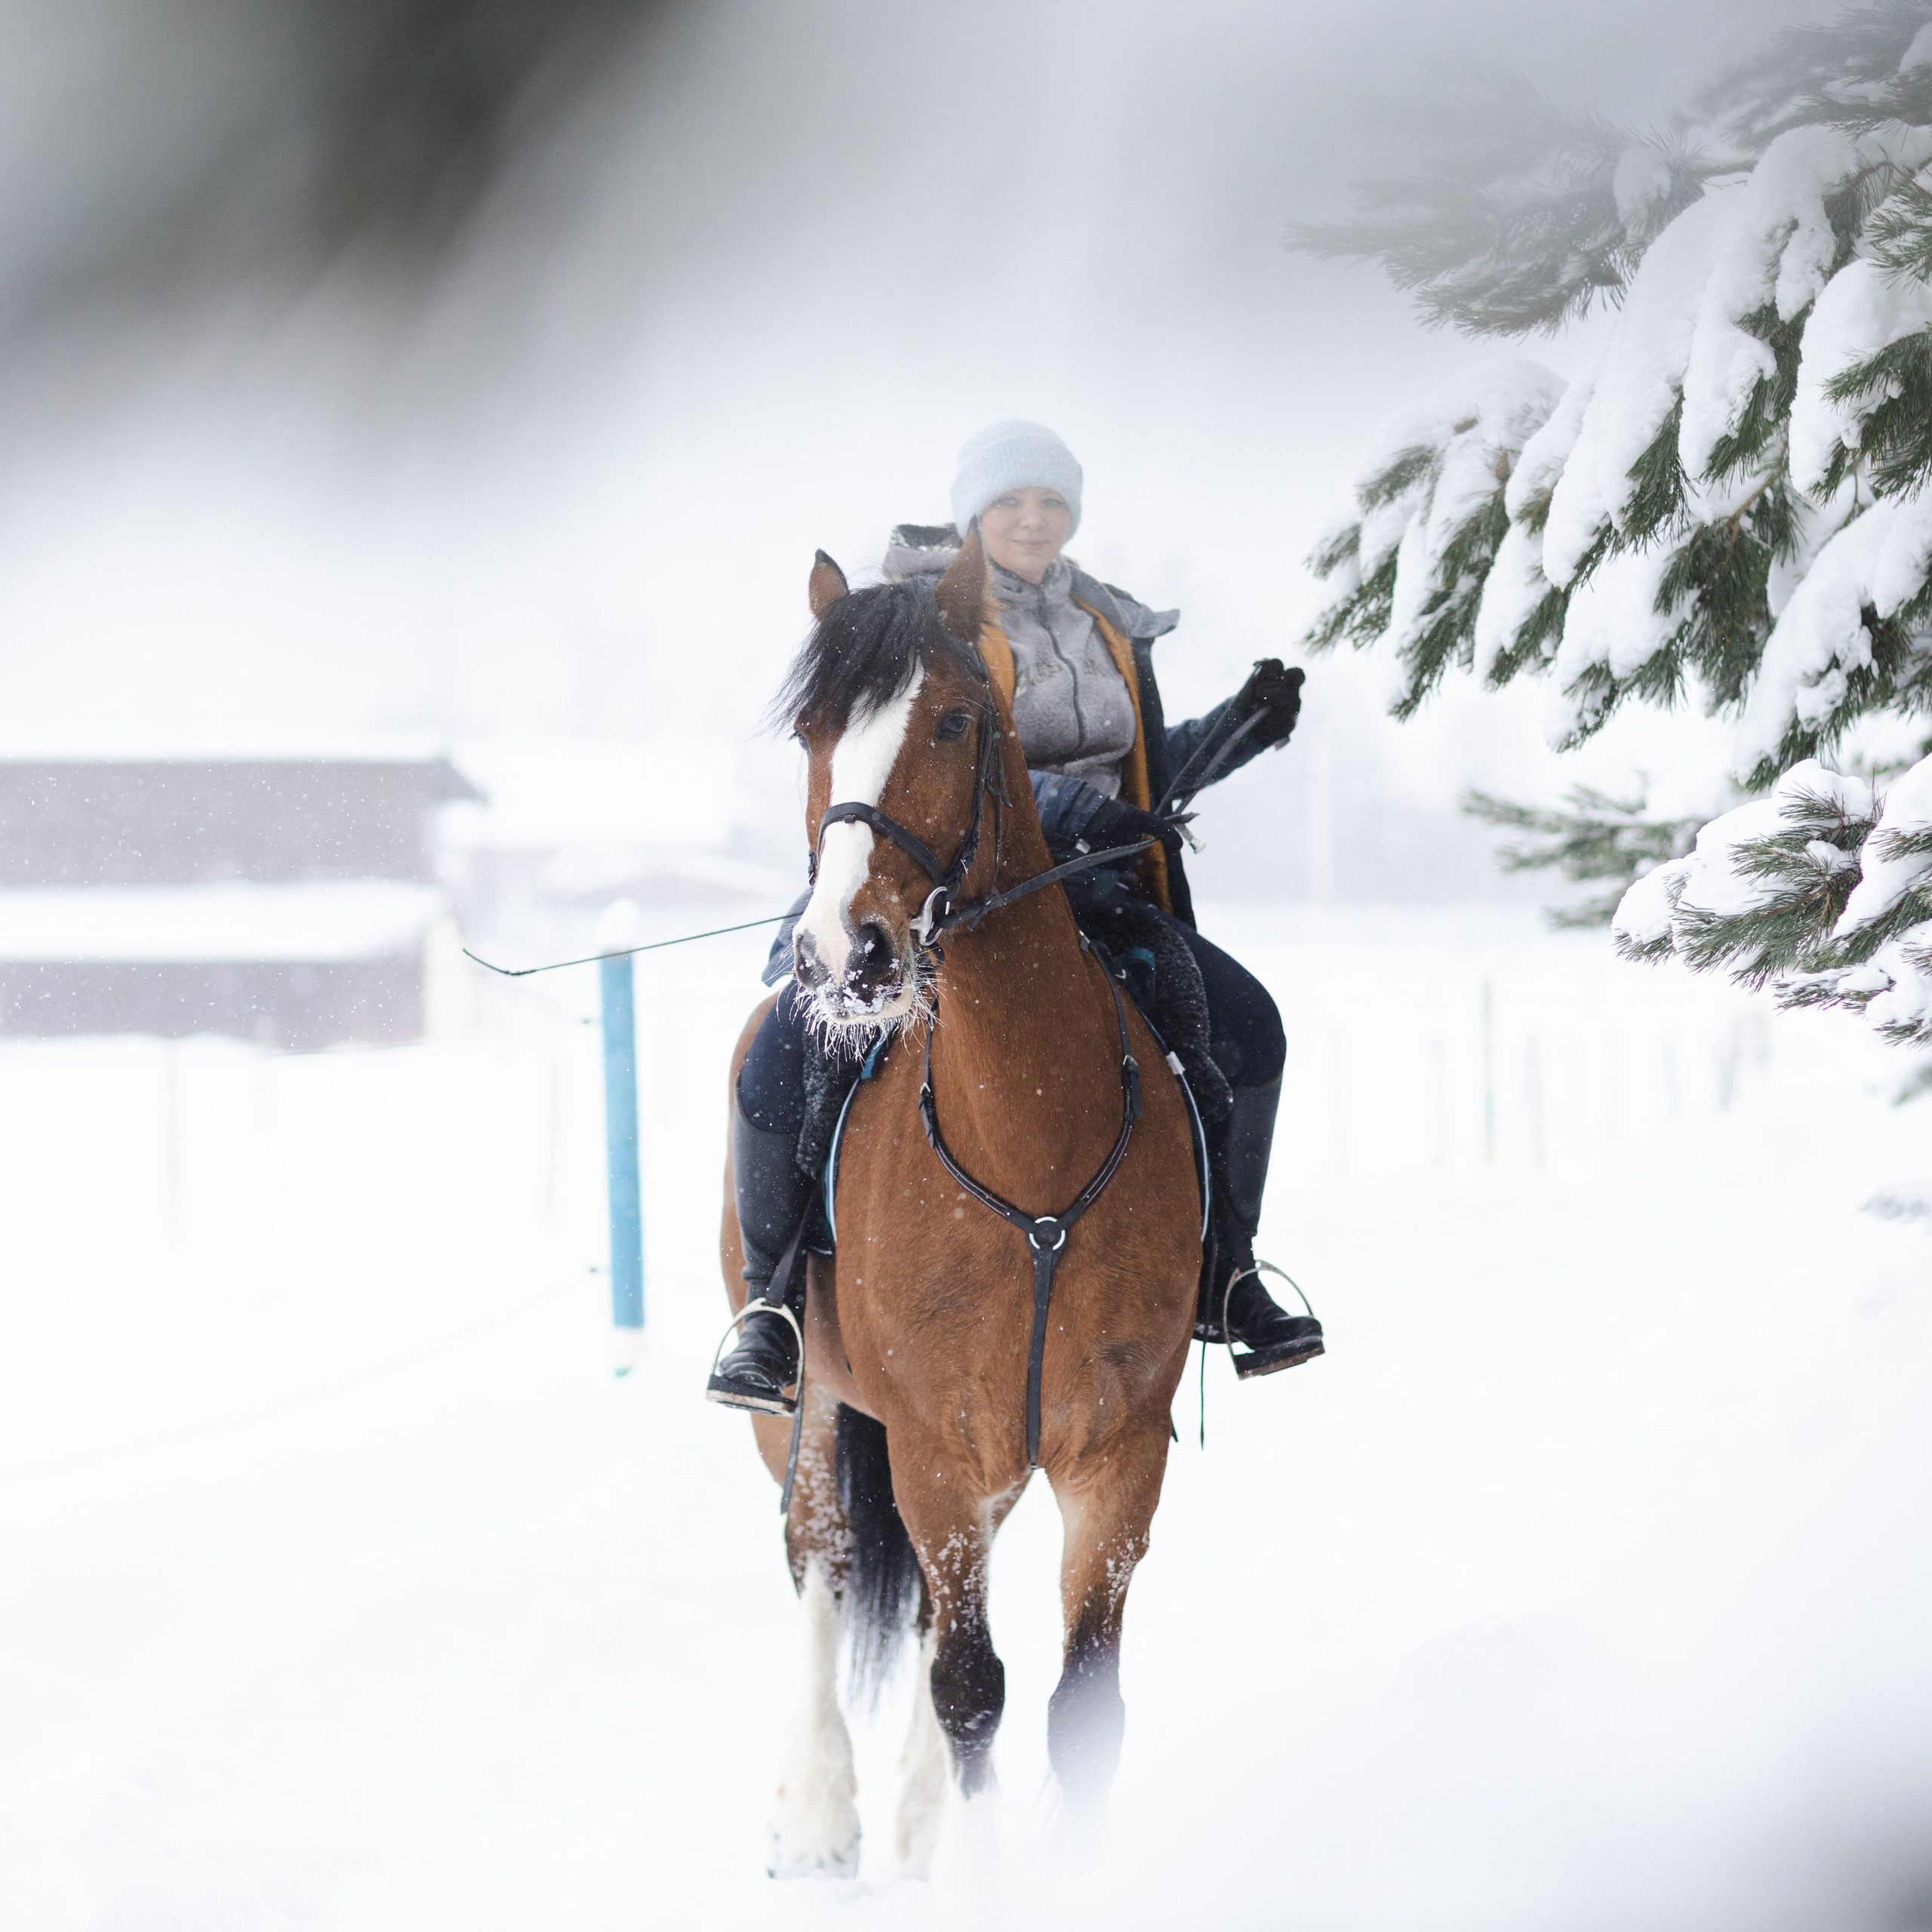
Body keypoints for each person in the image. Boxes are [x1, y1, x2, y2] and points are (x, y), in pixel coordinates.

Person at [712, 420, 1322, 1414]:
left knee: (1245, 1025)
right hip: (947, 882)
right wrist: (1078, 812)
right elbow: (936, 756)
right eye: (1012, 503)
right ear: (973, 516)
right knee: (783, 1047)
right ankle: (771, 1308)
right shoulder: (928, 623)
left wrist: (1236, 734)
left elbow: (1136, 774)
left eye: (1052, 504)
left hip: (1101, 885)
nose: (1034, 521)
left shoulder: (1108, 624)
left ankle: (1227, 1274)